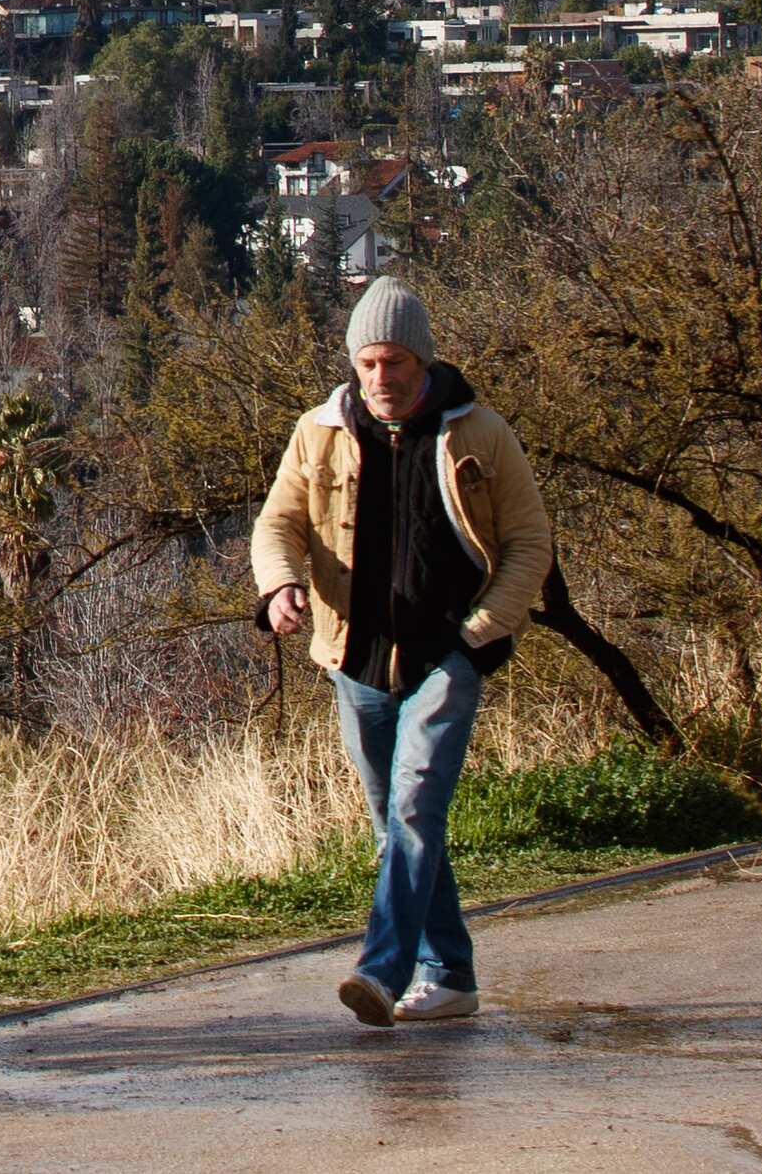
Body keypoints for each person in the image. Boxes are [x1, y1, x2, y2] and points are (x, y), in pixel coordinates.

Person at [252, 274, 554, 1030]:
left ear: (423, 361)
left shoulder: (478, 432)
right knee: (396, 822)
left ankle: (382, 971)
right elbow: (276, 524)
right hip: (353, 659)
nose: (381, 380)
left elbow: (529, 542)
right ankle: (450, 973)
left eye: (395, 364)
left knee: (417, 807)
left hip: (446, 654)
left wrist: (480, 631)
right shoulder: (316, 431)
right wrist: (280, 586)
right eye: (368, 365)